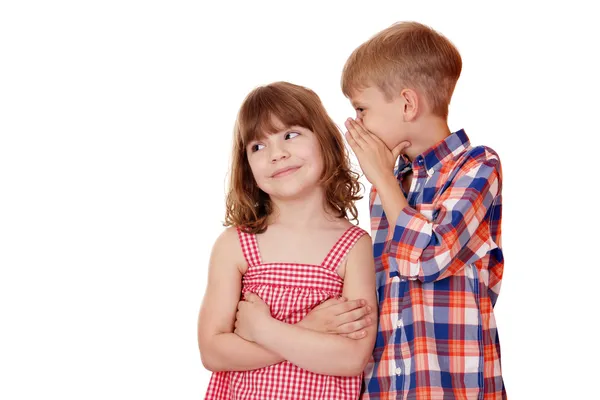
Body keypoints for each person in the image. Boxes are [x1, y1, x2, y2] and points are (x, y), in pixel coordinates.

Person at [341, 21, 506, 399]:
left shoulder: (478, 166)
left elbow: (431, 256)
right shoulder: (388, 187)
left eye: (361, 108)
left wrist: (382, 180)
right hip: (386, 385)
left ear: (407, 103)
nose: (357, 122)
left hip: (453, 387)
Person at [197, 81, 378, 400]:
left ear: (325, 142)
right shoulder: (235, 245)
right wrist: (308, 327)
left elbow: (352, 358)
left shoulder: (354, 245)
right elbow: (213, 351)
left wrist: (264, 330)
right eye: (257, 146)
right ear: (246, 166)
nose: (277, 154)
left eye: (290, 135)